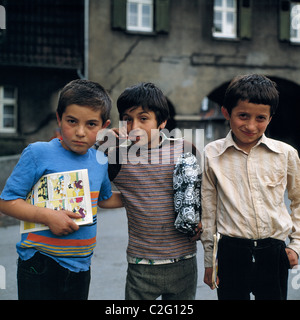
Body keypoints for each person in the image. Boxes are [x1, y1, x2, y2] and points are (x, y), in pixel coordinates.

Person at [0, 79, 122, 300]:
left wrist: (138, 196)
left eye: (91, 124)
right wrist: (48, 216)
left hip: (81, 266)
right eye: (72, 121)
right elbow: (7, 201)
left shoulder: (100, 160)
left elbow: (103, 199)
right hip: (40, 263)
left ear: (104, 127)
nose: (80, 132)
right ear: (59, 118)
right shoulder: (38, 153)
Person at [98, 82, 202, 300]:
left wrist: (204, 219)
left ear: (162, 122)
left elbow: (204, 191)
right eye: (127, 119)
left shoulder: (184, 149)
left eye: (143, 118)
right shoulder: (116, 158)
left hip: (183, 260)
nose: (134, 125)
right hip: (141, 264)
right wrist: (102, 139)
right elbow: (101, 196)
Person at [201, 74, 300, 300]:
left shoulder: (286, 154)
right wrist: (210, 261)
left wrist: (295, 245)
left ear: (270, 118)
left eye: (260, 118)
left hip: (274, 252)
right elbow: (209, 211)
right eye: (243, 116)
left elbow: (298, 200)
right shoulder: (212, 154)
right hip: (231, 253)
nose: (251, 125)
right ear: (227, 113)